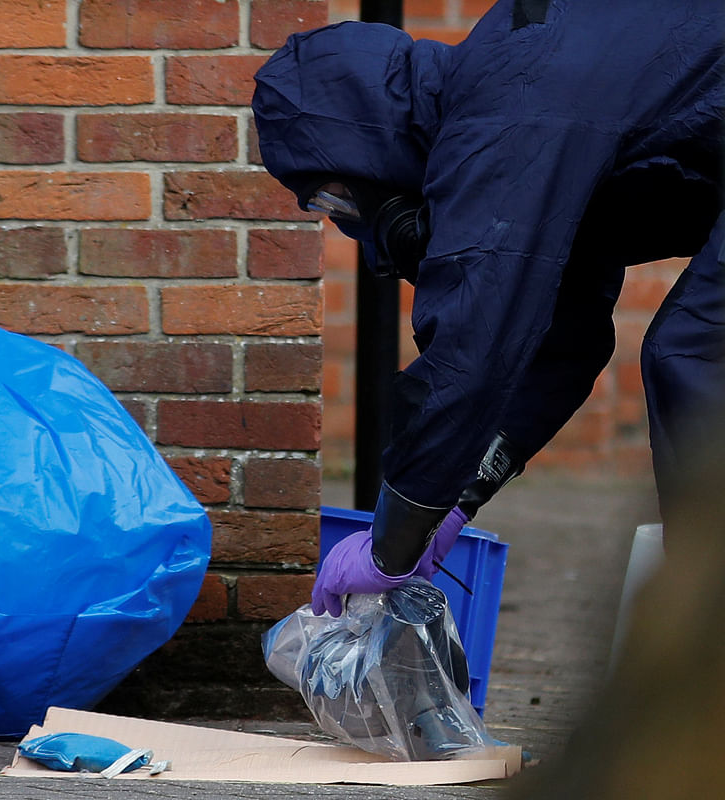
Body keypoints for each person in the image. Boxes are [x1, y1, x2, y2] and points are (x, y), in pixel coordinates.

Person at [251, 0, 725, 617]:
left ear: (362, 138)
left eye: (334, 198)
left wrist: (392, 546)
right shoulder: (513, 111)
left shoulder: (506, 110)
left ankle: (704, 651)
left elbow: (472, 349)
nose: (348, 220)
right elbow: (557, 344)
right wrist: (451, 500)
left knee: (696, 355)